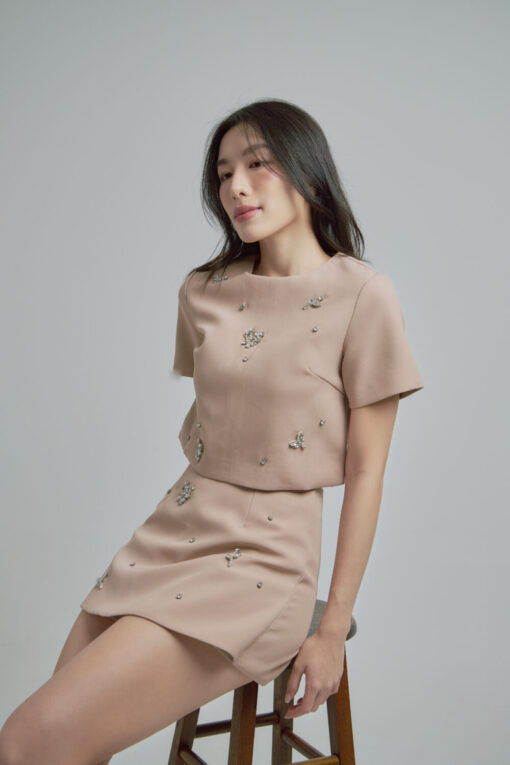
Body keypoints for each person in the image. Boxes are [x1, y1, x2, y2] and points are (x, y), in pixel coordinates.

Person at [0, 98, 424, 764]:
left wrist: (332, 628)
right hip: (169, 534)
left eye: (257, 164)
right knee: (40, 745)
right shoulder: (203, 291)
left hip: (264, 562)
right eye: (224, 174)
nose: (236, 187)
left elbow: (367, 472)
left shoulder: (363, 296)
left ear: (308, 171)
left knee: (30, 740)